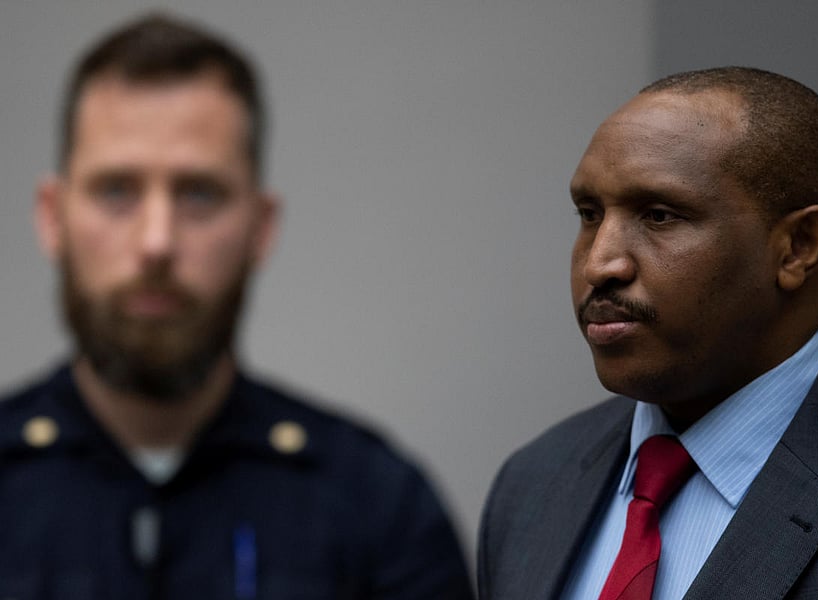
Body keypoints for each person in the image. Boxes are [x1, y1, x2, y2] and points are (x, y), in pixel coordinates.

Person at [0, 13, 473, 599]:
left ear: (260, 227)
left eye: (199, 193)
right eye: (117, 190)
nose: (157, 242)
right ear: (53, 217)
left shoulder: (376, 508)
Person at [478, 66, 818, 600]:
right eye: (589, 213)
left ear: (798, 247)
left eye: (658, 215)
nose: (600, 263)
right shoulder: (534, 484)